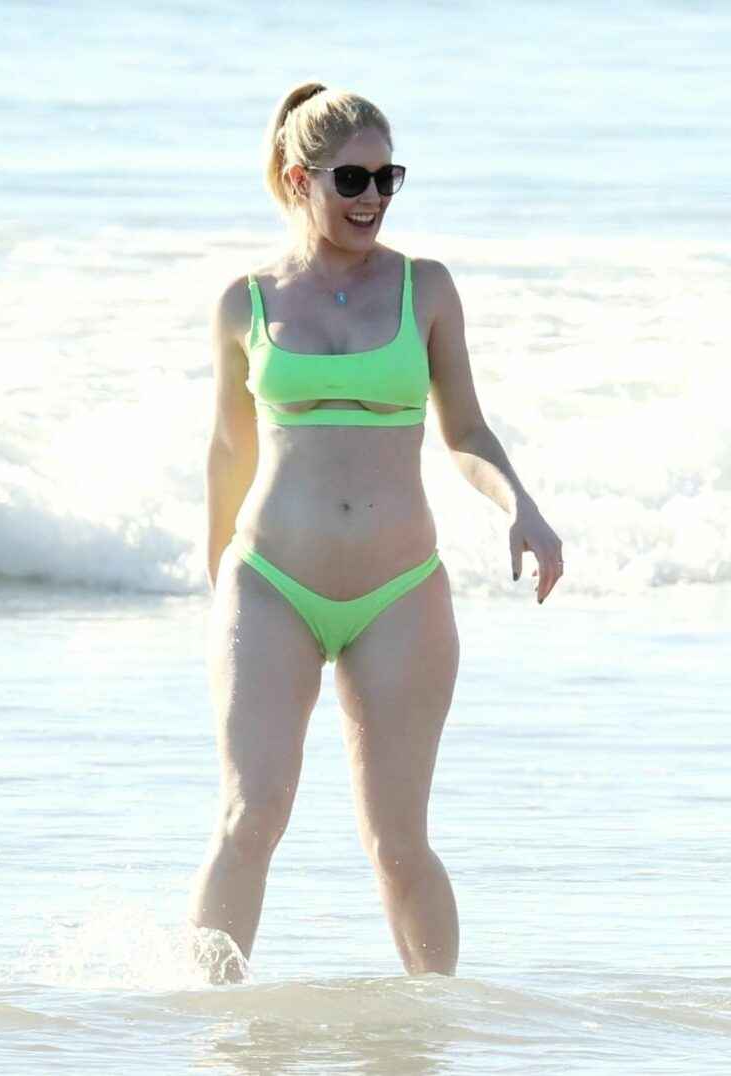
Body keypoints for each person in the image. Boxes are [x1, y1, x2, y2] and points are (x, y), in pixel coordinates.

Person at [187, 81, 563, 983]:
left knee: (399, 841)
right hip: (272, 584)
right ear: (299, 178)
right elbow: (228, 450)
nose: (372, 197)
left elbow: (466, 431)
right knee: (249, 817)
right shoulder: (245, 301)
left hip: (400, 590)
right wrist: (217, 582)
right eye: (351, 178)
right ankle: (209, 1024)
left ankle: (431, 1028)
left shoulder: (424, 288)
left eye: (387, 178)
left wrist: (520, 504)